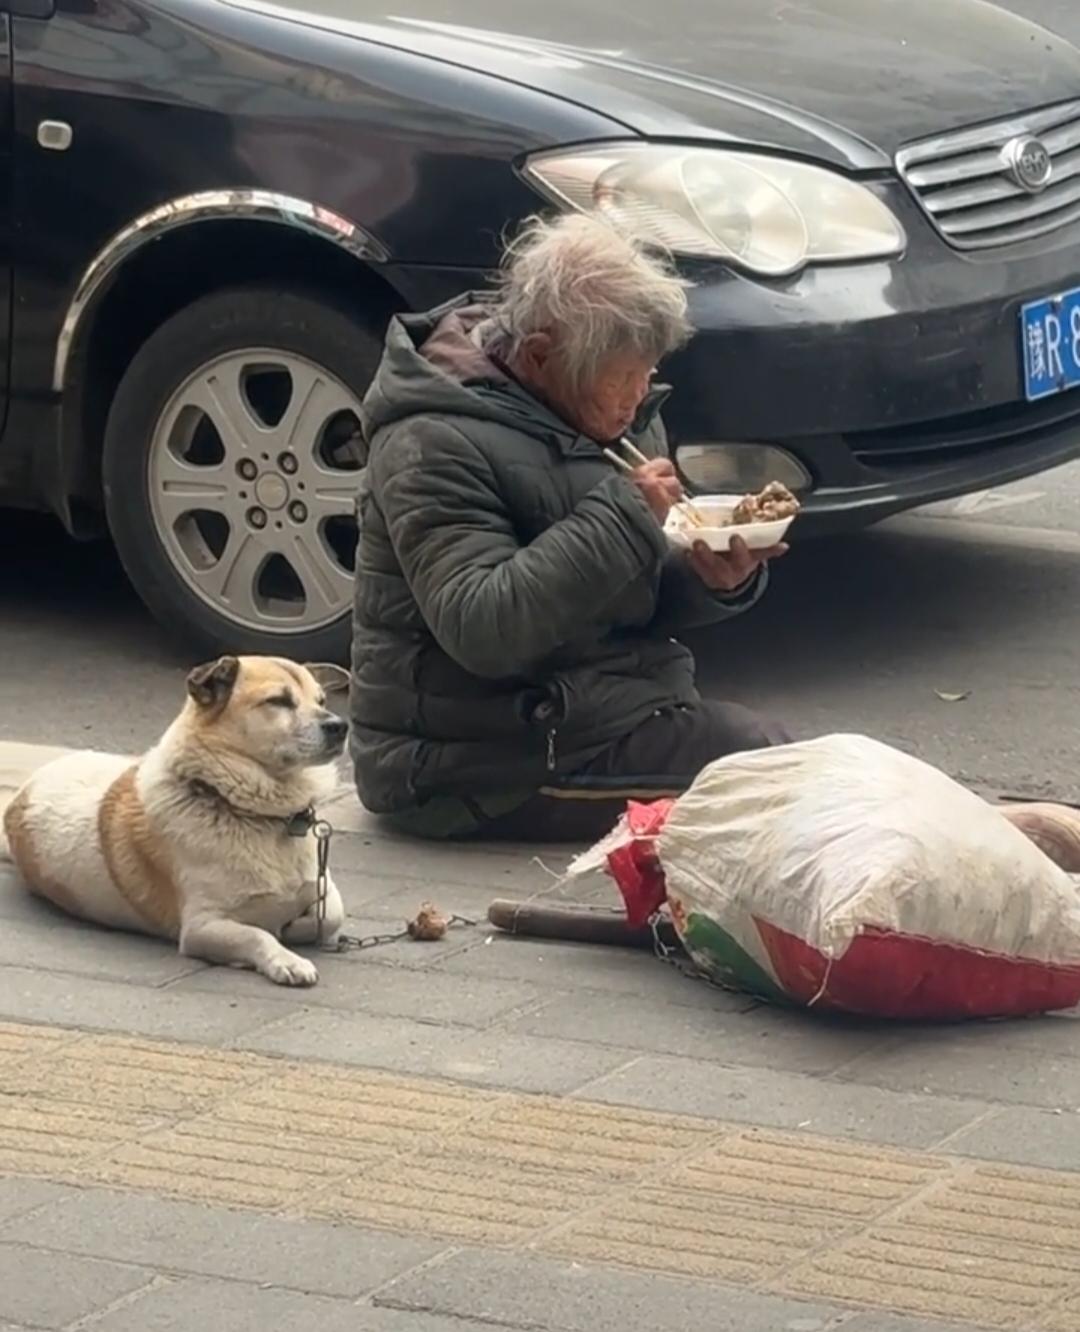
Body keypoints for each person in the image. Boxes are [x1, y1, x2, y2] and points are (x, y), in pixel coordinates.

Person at [349, 212, 790, 840]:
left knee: (791, 763)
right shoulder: (432, 439)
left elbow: (623, 597)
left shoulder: (605, 411)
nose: (639, 396)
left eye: (649, 372)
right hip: (473, 763)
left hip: (596, 711)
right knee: (771, 773)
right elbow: (482, 626)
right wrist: (626, 517)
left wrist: (709, 577)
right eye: (622, 379)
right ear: (538, 355)